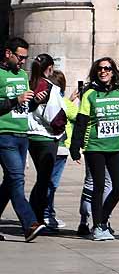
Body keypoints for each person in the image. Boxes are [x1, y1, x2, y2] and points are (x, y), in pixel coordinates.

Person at [70, 57, 119, 241]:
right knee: (98, 186)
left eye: (107, 68)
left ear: (113, 71)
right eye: (100, 69)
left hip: (116, 146)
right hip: (95, 146)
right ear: (96, 72)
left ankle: (103, 219)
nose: (103, 71)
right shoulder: (90, 93)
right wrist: (75, 147)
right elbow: (81, 121)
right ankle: (98, 227)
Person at [0, 36, 44, 242]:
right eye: (20, 57)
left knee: (9, 182)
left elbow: (25, 108)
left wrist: (34, 102)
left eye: (25, 58)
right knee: (17, 178)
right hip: (4, 134)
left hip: (22, 134)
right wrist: (14, 100)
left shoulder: (23, 76)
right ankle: (30, 223)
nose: (23, 61)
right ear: (8, 53)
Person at [27, 54, 65, 230]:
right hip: (47, 137)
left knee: (41, 178)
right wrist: (61, 129)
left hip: (31, 136)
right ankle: (37, 218)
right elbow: (56, 116)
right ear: (49, 68)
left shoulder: (28, 84)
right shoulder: (50, 87)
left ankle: (33, 215)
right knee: (44, 180)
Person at [44, 70, 74, 229]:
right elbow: (77, 114)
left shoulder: (46, 100)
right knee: (52, 183)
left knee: (44, 181)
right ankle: (47, 214)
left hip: (44, 145)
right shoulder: (64, 102)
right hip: (60, 148)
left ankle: (45, 213)